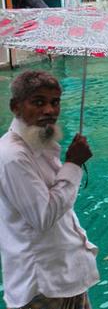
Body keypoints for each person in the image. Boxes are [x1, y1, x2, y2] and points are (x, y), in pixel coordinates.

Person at [0, 70, 98, 309]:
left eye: (55, 102)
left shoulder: (39, 144)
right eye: (38, 102)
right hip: (43, 289)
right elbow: (42, 216)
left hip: (67, 278)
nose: (50, 110)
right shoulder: (12, 156)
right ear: (16, 106)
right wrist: (73, 164)